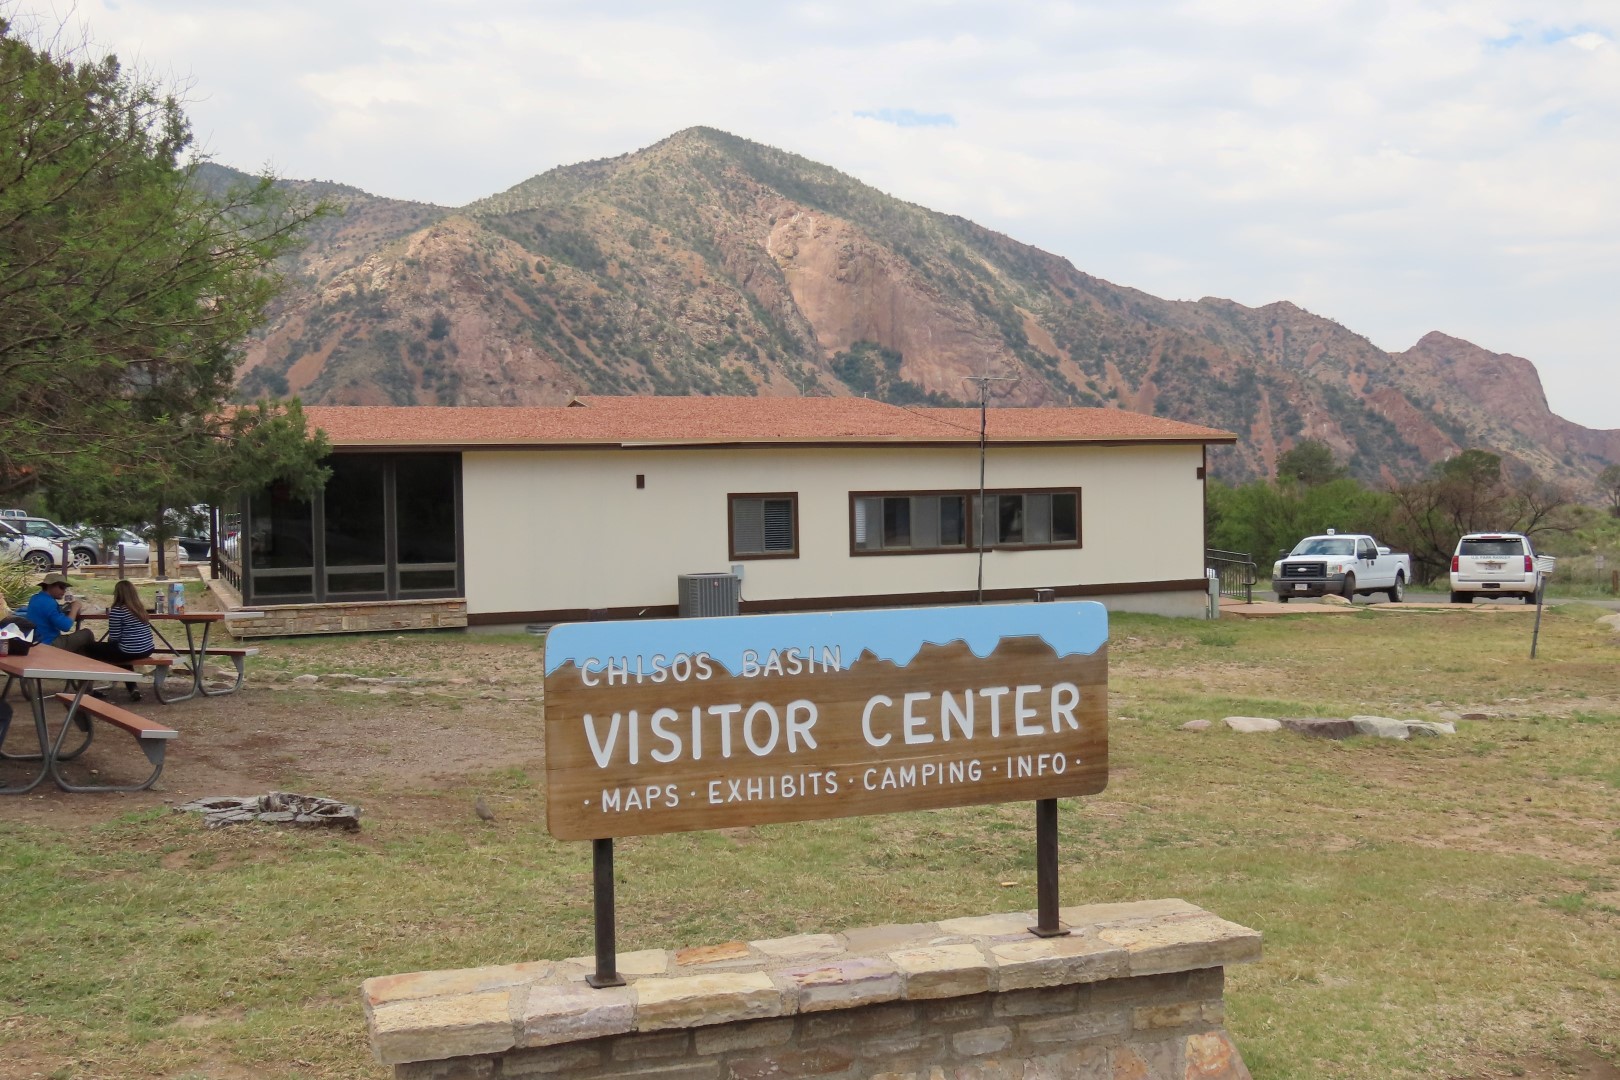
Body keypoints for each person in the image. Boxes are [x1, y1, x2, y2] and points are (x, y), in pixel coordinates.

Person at [81, 580, 156, 701]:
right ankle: (133, 688)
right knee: (123, 654)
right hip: (147, 649)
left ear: (117, 594)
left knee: (90, 648)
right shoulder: (140, 609)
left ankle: (86, 687)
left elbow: (114, 638)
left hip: (129, 650)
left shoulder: (118, 611)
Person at [21, 572, 91, 654]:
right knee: (87, 634)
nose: (64, 591)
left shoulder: (35, 598)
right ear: (49, 586)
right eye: (61, 587)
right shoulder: (49, 603)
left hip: (36, 641)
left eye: (65, 588)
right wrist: (74, 608)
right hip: (49, 643)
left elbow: (48, 614)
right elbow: (66, 626)